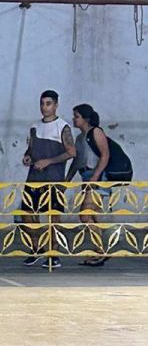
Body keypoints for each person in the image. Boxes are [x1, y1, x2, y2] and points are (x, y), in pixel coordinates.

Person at [20, 90, 75, 270]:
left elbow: (72, 152)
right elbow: (30, 149)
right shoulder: (34, 127)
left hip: (53, 179)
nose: (45, 107)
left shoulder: (63, 127)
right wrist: (28, 157)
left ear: (56, 105)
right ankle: (36, 248)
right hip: (34, 178)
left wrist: (49, 161)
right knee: (27, 215)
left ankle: (54, 254)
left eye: (48, 103)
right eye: (42, 103)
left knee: (52, 217)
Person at [68, 104, 111, 267]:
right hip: (86, 176)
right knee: (91, 216)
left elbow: (105, 155)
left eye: (76, 116)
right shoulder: (79, 138)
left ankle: (100, 251)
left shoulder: (96, 132)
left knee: (85, 215)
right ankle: (100, 251)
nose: (74, 119)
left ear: (85, 119)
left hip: (97, 177)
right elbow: (77, 161)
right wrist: (67, 179)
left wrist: (95, 176)